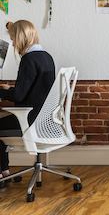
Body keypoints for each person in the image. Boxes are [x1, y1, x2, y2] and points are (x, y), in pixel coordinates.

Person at [0, 20, 55, 182]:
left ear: (21, 38)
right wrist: (9, 89)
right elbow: (32, 90)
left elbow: (19, 96)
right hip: (43, 118)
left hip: (30, 119)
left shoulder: (29, 59)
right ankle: (5, 172)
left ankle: (3, 171)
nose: (13, 42)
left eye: (13, 38)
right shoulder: (46, 57)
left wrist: (3, 92)